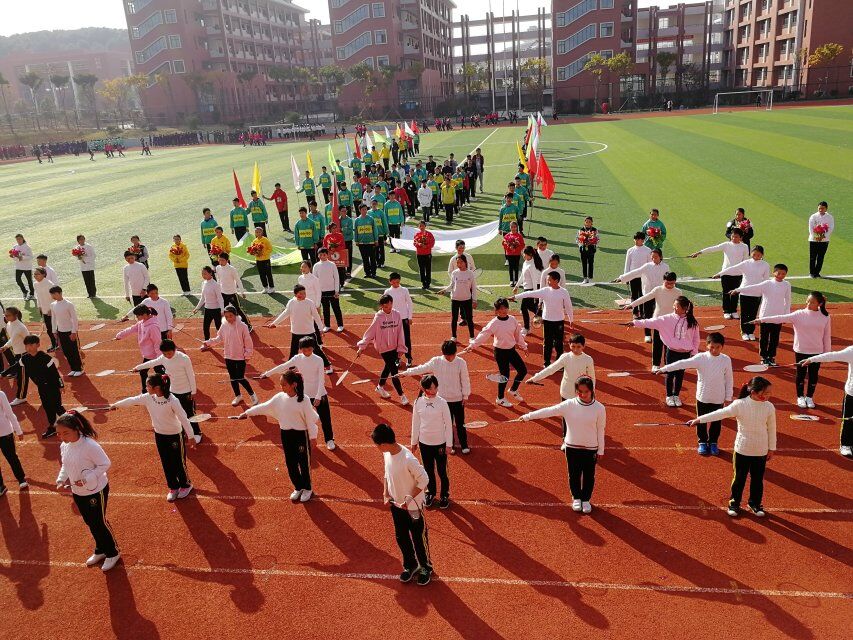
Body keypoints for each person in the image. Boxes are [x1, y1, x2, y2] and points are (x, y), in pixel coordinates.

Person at [688, 377, 776, 518]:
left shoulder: (769, 407)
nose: (768, 396)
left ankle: (755, 503)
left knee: (757, 480)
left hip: (760, 450)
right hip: (742, 449)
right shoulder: (740, 405)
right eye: (766, 393)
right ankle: (734, 503)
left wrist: (771, 448)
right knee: (739, 478)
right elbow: (720, 413)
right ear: (754, 392)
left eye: (769, 393)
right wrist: (699, 419)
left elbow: (772, 429)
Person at [520, 376, 605, 514]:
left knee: (589, 476)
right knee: (574, 474)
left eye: (586, 391)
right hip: (572, 447)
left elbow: (601, 429)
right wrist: (528, 416)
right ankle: (576, 498)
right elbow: (548, 411)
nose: (583, 394)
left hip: (591, 449)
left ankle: (586, 499)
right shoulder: (569, 405)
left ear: (592, 390)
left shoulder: (599, 408)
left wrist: (601, 450)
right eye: (579, 391)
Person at [235, 370, 319, 502]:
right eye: (281, 384)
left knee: (303, 463)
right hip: (286, 434)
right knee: (290, 462)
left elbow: (310, 420)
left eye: (284, 384)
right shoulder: (279, 397)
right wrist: (247, 413)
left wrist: (313, 437)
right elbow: (264, 407)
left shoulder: (304, 400)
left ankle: (307, 488)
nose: (281, 387)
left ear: (293, 384)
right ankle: (298, 487)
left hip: (301, 435)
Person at [110, 373, 195, 502]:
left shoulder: (173, 400)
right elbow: (132, 400)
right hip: (159, 435)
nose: (146, 388)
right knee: (166, 461)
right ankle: (173, 487)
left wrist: (191, 436)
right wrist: (116, 405)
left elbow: (183, 418)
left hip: (175, 435)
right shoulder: (148, 397)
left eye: (148, 386)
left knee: (178, 462)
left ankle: (186, 485)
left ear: (157, 387)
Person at [55, 411, 121, 570]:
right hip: (78, 492)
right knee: (90, 521)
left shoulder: (90, 446)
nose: (62, 437)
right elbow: (65, 464)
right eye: (59, 433)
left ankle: (113, 552)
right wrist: (61, 479)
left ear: (77, 429)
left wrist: (88, 478)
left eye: (66, 433)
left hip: (96, 490)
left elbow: (105, 464)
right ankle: (101, 549)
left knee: (99, 521)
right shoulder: (64, 446)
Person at [371, 422, 433, 585]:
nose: (377, 448)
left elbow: (424, 479)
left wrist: (409, 498)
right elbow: (387, 473)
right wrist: (385, 493)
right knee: (402, 537)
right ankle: (411, 565)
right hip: (396, 505)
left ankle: (425, 567)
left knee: (419, 538)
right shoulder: (387, 454)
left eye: (377, 445)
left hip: (413, 507)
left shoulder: (408, 459)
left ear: (384, 444)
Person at [657, 332, 733, 456]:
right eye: (712, 347)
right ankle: (702, 442)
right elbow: (682, 363)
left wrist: (728, 396)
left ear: (722, 346)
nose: (714, 350)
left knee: (716, 422)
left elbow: (729, 379)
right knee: (701, 420)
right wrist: (664, 369)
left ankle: (713, 442)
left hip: (718, 398)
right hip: (703, 397)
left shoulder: (726, 360)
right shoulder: (700, 358)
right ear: (707, 345)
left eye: (718, 347)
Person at [753, 291, 831, 409]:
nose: (808, 304)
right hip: (801, 350)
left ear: (819, 304)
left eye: (812, 302)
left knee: (813, 375)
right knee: (801, 374)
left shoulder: (825, 317)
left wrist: (827, 353)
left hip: (817, 351)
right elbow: (780, 318)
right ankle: (800, 396)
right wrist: (762, 319)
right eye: (808, 301)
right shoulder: (799, 314)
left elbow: (826, 336)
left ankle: (809, 397)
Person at [262, 336, 335, 450]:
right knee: (303, 418)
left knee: (325, 418)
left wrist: (318, 396)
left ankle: (329, 439)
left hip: (319, 393)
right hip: (304, 395)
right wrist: (267, 373)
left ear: (313, 348)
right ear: (300, 349)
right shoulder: (297, 358)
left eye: (309, 349)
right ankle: (306, 439)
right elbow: (283, 366)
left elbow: (322, 380)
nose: (307, 352)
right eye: (304, 350)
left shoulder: (319, 360)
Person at [400, 340, 471, 454]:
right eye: (446, 356)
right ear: (443, 353)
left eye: (451, 356)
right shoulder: (436, 361)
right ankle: (451, 444)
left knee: (460, 423)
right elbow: (421, 368)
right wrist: (406, 373)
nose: (449, 358)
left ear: (455, 353)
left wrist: (465, 395)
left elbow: (465, 379)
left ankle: (464, 444)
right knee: (447, 425)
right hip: (442, 400)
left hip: (457, 399)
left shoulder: (461, 363)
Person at [628, 296, 700, 407]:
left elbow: (696, 338)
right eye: (674, 305)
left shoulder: (692, 322)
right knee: (670, 374)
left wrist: (694, 352)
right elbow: (650, 322)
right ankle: (669, 396)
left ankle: (676, 395)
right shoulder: (667, 319)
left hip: (685, 354)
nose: (674, 307)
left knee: (680, 375)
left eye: (676, 306)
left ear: (685, 308)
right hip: (672, 352)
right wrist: (635, 323)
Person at [463, 298, 527, 408]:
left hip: (511, 350)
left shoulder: (512, 320)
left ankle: (513, 389)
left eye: (505, 308)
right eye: (501, 309)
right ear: (496, 310)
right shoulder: (494, 323)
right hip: (500, 352)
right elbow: (484, 334)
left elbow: (518, 335)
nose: (503, 311)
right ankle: (500, 398)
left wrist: (524, 346)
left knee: (523, 370)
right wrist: (472, 345)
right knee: (505, 376)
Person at [134, 339, 201, 443]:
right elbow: (152, 363)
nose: (167, 356)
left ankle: (197, 433)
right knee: (177, 413)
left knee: (189, 413)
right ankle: (183, 432)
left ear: (174, 349)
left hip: (186, 391)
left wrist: (193, 391)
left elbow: (191, 375)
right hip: (173, 391)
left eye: (169, 353)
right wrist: (138, 367)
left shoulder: (184, 358)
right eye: (164, 354)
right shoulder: (163, 358)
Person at [527, 334, 595, 435]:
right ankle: (566, 437)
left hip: (581, 393)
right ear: (569, 345)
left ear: (583, 346)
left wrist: (592, 392)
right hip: (566, 392)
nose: (575, 349)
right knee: (566, 416)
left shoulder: (588, 359)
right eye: (573, 346)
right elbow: (551, 369)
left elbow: (592, 377)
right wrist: (534, 378)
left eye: (578, 347)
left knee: (581, 415)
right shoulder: (565, 357)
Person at [731, 264, 791, 367]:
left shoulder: (787, 284)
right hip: (765, 315)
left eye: (783, 274)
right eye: (779, 273)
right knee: (764, 337)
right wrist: (738, 290)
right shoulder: (767, 283)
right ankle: (764, 356)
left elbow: (788, 299)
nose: (781, 275)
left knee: (774, 338)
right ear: (774, 272)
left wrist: (786, 315)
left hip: (778, 316)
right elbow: (753, 287)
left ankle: (771, 356)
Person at [512, 271, 574, 367]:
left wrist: (571, 319)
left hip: (559, 321)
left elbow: (568, 306)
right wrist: (515, 297)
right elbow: (529, 293)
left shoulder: (563, 292)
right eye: (547, 280)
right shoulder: (545, 291)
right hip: (547, 321)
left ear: (556, 280)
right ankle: (547, 363)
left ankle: (559, 364)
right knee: (547, 342)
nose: (547, 282)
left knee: (559, 343)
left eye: (549, 280)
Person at [621, 271, 681, 371]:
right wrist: (632, 305)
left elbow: (682, 305)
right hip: (658, 320)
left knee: (670, 344)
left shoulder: (678, 292)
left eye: (672, 283)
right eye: (667, 283)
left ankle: (668, 364)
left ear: (675, 282)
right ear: (663, 281)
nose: (670, 285)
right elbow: (645, 298)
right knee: (657, 343)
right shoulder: (658, 290)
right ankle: (656, 364)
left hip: (671, 321)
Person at [799, 347, 853, 457]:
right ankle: (845, 445)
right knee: (848, 420)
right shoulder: (851, 351)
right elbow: (833, 355)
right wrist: (812, 359)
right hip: (852, 393)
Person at [357, 294, 410, 405]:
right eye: (385, 307)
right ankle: (402, 395)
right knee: (394, 371)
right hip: (383, 349)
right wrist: (362, 346)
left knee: (388, 367)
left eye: (390, 306)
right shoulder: (378, 317)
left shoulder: (397, 315)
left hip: (395, 348)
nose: (388, 309)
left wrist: (401, 348)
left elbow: (400, 332)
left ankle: (380, 387)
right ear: (381, 306)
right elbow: (370, 332)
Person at [411, 375, 453, 509]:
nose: (433, 391)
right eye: (430, 388)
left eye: (435, 387)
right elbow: (415, 423)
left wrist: (449, 444)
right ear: (424, 389)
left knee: (442, 471)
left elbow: (448, 424)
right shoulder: (418, 402)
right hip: (424, 444)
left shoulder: (442, 403)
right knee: (428, 470)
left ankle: (444, 495)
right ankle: (430, 493)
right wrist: (414, 441)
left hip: (440, 443)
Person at [203, 305, 258, 407]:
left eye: (231, 316)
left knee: (240, 378)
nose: (228, 318)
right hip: (228, 356)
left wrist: (247, 355)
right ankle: (238, 396)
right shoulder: (224, 326)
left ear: (236, 315)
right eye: (226, 316)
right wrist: (208, 342)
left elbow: (248, 342)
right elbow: (219, 338)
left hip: (240, 357)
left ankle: (252, 394)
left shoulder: (243, 326)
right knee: (233, 378)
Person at [689, 229, 750, 319]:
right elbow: (713, 249)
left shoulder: (744, 247)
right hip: (725, 273)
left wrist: (745, 273)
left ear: (741, 238)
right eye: (732, 236)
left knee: (735, 293)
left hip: (738, 274)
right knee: (726, 292)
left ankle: (733, 311)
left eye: (736, 237)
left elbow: (745, 260)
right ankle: (726, 311)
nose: (734, 238)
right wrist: (699, 252)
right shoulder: (726, 245)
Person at [713, 245, 770, 341]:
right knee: (744, 314)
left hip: (757, 293)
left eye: (758, 255)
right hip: (744, 292)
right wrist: (720, 273)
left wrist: (764, 292)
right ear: (751, 254)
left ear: (762, 255)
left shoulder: (765, 265)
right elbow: (732, 268)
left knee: (753, 314)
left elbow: (766, 280)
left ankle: (750, 332)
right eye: (754, 254)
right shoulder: (746, 263)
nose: (756, 256)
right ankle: (744, 332)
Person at [267, 285, 331, 368]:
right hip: (296, 332)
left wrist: (320, 329)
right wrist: (275, 323)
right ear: (295, 294)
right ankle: (291, 368)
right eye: (301, 293)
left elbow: (316, 316)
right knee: (293, 351)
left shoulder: (309, 303)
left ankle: (327, 365)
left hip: (309, 332)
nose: (303, 295)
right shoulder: (291, 302)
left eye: (304, 293)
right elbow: (285, 313)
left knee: (316, 350)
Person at [615, 248, 669, 343]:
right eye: (652, 257)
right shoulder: (647, 266)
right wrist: (622, 278)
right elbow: (635, 272)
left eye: (656, 257)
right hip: (648, 294)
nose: (653, 259)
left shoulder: (666, 267)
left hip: (660, 294)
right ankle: (647, 334)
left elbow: (668, 280)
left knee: (659, 314)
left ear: (661, 257)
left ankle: (660, 334)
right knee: (647, 314)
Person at [20, 335, 65, 438]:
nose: (28, 347)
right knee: (47, 407)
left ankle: (73, 423)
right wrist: (3, 374)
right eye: (26, 345)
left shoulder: (46, 358)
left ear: (38, 345)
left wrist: (61, 385)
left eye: (31, 345)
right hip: (42, 388)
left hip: (52, 387)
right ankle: (53, 427)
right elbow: (16, 367)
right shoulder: (25, 359)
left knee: (57, 407)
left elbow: (55, 373)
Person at [115, 304, 161, 394]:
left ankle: (146, 391)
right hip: (148, 355)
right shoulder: (141, 323)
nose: (136, 317)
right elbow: (131, 329)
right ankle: (148, 391)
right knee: (154, 373)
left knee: (151, 373)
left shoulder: (153, 327)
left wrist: (159, 358)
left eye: (137, 315)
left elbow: (157, 342)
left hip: (154, 355)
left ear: (144, 314)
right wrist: (120, 335)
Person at [440, 255, 477, 342]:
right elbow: (452, 285)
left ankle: (472, 337)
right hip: (455, 299)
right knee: (454, 319)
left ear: (465, 262)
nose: (459, 264)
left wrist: (474, 300)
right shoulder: (454, 273)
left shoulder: (470, 273)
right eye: (457, 263)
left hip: (467, 299)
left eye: (461, 262)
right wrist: (444, 290)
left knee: (469, 319)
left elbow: (474, 288)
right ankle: (454, 337)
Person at [49, 286, 83, 376]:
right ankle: (73, 368)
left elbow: (74, 319)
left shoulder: (69, 304)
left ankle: (79, 369)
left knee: (74, 351)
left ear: (60, 293)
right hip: (61, 331)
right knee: (66, 351)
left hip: (70, 331)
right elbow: (53, 319)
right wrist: (54, 331)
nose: (53, 296)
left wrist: (74, 332)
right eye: (52, 294)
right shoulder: (52, 305)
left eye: (54, 294)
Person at [1, 307, 30, 406]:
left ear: (15, 315)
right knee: (31, 375)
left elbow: (28, 340)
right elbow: (13, 339)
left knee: (22, 377)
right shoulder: (9, 324)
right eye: (5, 315)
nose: (6, 317)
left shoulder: (20, 327)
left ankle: (21, 397)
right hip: (18, 353)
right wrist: (5, 347)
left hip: (24, 354)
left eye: (8, 315)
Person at [0, 389, 27, 496]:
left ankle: (21, 479)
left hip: (5, 433)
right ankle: (1, 486)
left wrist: (18, 430)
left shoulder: (1, 394)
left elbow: (9, 413)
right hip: (5, 432)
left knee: (11, 456)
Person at [215, 254, 251, 330]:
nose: (220, 262)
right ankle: (225, 326)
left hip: (232, 293)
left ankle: (248, 325)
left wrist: (242, 292)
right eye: (219, 260)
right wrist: (218, 291)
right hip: (223, 293)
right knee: (223, 310)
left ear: (227, 260)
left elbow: (238, 280)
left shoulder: (232, 269)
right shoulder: (218, 268)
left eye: (222, 260)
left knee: (238, 309)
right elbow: (218, 279)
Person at [384, 273, 414, 366]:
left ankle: (409, 357)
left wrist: (410, 317)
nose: (396, 284)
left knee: (406, 339)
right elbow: (384, 305)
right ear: (390, 282)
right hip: (393, 320)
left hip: (404, 319)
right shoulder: (387, 292)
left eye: (397, 282)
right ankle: (397, 358)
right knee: (395, 340)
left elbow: (410, 303)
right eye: (394, 282)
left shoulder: (404, 290)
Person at [514, 247, 544, 336]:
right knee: (531, 307)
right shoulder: (525, 263)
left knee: (523, 308)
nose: (523, 255)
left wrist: (535, 294)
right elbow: (522, 276)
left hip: (531, 290)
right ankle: (545, 316)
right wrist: (516, 286)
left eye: (524, 254)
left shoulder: (532, 266)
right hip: (526, 289)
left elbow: (534, 281)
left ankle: (527, 328)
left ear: (530, 255)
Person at [314, 248, 344, 333]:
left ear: (327, 255)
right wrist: (317, 291)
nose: (322, 256)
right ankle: (327, 325)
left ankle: (340, 325)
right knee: (325, 309)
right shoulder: (316, 266)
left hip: (332, 291)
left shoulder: (332, 264)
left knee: (336, 308)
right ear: (318, 255)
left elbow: (336, 278)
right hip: (322, 292)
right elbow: (315, 279)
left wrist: (336, 291)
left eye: (324, 255)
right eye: (320, 255)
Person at [192, 266, 224, 340]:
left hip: (216, 310)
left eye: (205, 274)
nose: (203, 275)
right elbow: (203, 298)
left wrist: (222, 310)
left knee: (219, 328)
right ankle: (206, 342)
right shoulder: (203, 283)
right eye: (202, 274)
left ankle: (226, 341)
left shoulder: (216, 285)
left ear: (210, 273)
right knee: (205, 327)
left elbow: (220, 298)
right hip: (207, 309)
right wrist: (197, 308)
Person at [32, 268, 58, 352]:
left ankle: (55, 344)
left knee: (53, 328)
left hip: (52, 310)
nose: (35, 276)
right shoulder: (35, 284)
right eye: (34, 274)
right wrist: (39, 306)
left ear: (43, 274)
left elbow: (55, 297)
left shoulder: (49, 284)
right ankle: (55, 343)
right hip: (44, 310)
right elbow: (38, 296)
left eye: (37, 274)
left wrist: (51, 309)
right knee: (49, 329)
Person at [807, 201, 834, 278]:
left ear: (826, 209)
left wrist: (823, 236)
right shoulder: (813, 216)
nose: (820, 210)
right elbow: (811, 228)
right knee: (812, 257)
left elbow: (831, 228)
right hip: (813, 240)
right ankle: (812, 273)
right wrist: (816, 236)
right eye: (819, 208)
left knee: (821, 257)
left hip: (824, 240)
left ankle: (817, 272)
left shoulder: (830, 217)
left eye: (822, 208)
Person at [354, 204, 379, 278]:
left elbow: (375, 230)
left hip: (371, 242)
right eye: (363, 210)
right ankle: (367, 273)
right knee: (365, 259)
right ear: (359, 210)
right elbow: (356, 231)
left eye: (365, 209)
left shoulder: (371, 219)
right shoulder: (357, 220)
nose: (364, 211)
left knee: (372, 258)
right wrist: (356, 241)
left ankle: (373, 273)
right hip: (361, 243)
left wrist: (376, 240)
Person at [248, 227, 274, 293]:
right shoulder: (254, 241)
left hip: (266, 260)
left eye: (259, 232)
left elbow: (270, 249)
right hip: (258, 260)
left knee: (268, 274)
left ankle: (271, 287)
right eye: (256, 232)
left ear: (262, 232)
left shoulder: (265, 240)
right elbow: (252, 250)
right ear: (255, 233)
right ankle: (265, 287)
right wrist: (255, 253)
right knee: (261, 274)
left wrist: (263, 253)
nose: (258, 233)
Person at [10, 234, 34, 300]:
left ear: (23, 238)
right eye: (17, 239)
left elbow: (31, 257)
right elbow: (14, 257)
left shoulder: (27, 247)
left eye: (19, 239)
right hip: (18, 267)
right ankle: (24, 291)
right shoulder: (15, 246)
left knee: (29, 281)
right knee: (18, 280)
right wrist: (15, 258)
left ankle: (32, 294)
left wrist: (22, 257)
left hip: (27, 267)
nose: (18, 240)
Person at [576, 217, 599, 284]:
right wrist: (581, 244)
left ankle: (590, 278)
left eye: (589, 222)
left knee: (591, 263)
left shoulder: (595, 230)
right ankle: (585, 278)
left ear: (592, 223)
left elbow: (598, 239)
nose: (588, 223)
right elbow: (577, 239)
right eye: (586, 222)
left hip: (591, 249)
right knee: (584, 263)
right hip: (583, 249)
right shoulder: (581, 230)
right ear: (584, 222)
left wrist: (592, 243)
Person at [413, 221, 435, 289]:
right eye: (420, 226)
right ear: (418, 227)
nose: (421, 227)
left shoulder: (429, 234)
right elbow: (414, 243)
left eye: (422, 225)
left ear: (425, 226)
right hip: (419, 254)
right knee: (421, 269)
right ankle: (423, 283)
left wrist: (426, 246)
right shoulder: (417, 234)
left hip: (427, 254)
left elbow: (432, 243)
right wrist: (419, 244)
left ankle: (428, 283)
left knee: (428, 269)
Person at [502, 221, 524, 287]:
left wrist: (516, 248)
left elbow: (522, 245)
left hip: (517, 254)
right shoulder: (507, 236)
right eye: (512, 227)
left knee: (516, 266)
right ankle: (511, 281)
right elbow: (504, 244)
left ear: (517, 227)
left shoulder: (519, 236)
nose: (513, 228)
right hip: (509, 254)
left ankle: (516, 280)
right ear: (510, 227)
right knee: (511, 267)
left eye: (514, 227)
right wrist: (509, 247)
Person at [369, 199, 389, 268]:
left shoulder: (381, 212)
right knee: (375, 249)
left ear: (377, 204)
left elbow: (384, 222)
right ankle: (377, 262)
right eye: (373, 203)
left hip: (380, 234)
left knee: (381, 249)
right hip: (373, 235)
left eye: (375, 203)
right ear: (371, 204)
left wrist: (386, 232)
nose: (374, 205)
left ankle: (382, 262)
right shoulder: (368, 212)